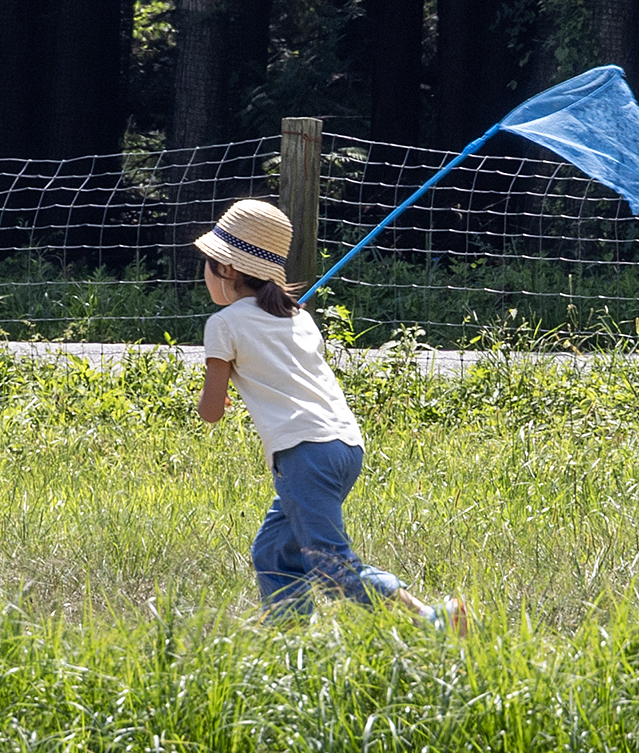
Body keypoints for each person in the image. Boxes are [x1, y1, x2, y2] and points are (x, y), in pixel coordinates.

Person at [194, 198, 465, 630]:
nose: (203, 274)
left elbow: (210, 412)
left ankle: (431, 619)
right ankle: (289, 636)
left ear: (227, 270)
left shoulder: (223, 324)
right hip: (344, 447)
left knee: (331, 565)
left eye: (207, 264)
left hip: (302, 454)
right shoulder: (298, 317)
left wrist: (214, 394)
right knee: (274, 549)